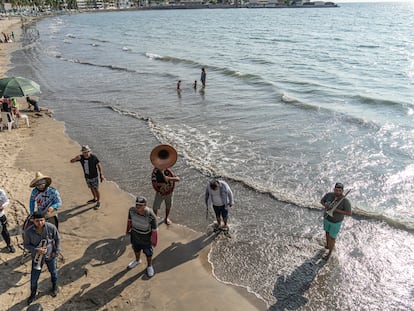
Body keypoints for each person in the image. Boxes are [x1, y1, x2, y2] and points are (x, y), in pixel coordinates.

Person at [24, 211, 60, 305]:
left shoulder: (51, 227)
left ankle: (55, 286)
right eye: (37, 221)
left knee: (53, 272)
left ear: (44, 220)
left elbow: (57, 239)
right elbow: (26, 245)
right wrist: (36, 249)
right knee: (34, 278)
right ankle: (32, 293)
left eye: (41, 220)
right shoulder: (28, 231)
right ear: (33, 221)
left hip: (50, 255)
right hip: (37, 257)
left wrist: (56, 251)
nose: (40, 223)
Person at [126, 196, 158, 277]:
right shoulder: (131, 210)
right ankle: (137, 260)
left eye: (140, 205)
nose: (138, 206)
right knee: (136, 249)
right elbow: (129, 221)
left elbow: (155, 229)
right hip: (135, 235)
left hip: (146, 238)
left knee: (148, 253)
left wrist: (154, 241)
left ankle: (149, 266)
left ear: (145, 205)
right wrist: (127, 230)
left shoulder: (150, 214)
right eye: (137, 204)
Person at [320, 182, 352, 260]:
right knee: (327, 232)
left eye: (339, 191)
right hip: (327, 218)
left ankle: (329, 254)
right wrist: (326, 206)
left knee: (332, 238)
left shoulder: (345, 201)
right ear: (334, 189)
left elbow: (349, 213)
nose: (337, 192)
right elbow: (321, 201)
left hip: (336, 222)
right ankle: (327, 245)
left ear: (342, 191)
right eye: (336, 190)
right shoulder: (329, 195)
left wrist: (336, 210)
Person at [70, 145, 104, 210]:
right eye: (84, 152)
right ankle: (94, 198)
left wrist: (101, 174)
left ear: (89, 151)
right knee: (91, 188)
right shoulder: (81, 157)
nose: (85, 153)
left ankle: (98, 202)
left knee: (96, 189)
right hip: (87, 177)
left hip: (94, 176)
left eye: (86, 152)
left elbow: (99, 164)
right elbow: (71, 161)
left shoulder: (93, 157)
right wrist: (75, 159)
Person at [0, 188, 16, 253]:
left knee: (4, 231)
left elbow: (6, 201)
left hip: (1, 215)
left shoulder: (1, 192)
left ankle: (9, 245)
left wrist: (2, 206)